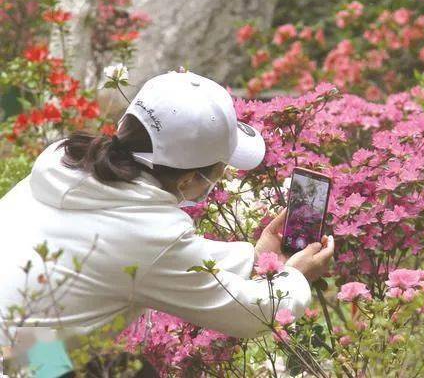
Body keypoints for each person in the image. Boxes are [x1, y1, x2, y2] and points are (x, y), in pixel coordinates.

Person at [0, 69, 334, 360]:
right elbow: (249, 313)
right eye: (217, 171)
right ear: (189, 178)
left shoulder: (67, 164)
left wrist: (257, 257)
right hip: (23, 365)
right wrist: (296, 277)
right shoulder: (148, 233)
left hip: (20, 349)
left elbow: (152, 253)